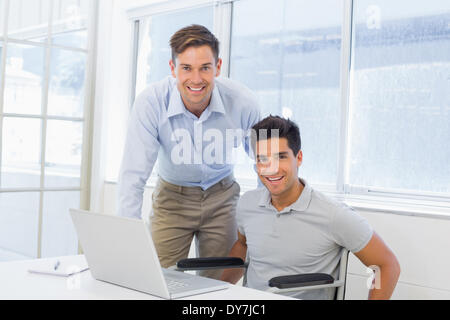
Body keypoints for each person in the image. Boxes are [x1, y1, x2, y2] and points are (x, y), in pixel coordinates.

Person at [117, 25, 260, 279]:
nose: (196, 79)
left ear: (218, 67)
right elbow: (133, 175)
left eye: (205, 67)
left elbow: (265, 162)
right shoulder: (151, 103)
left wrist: (262, 219)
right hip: (172, 199)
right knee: (158, 280)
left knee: (218, 283)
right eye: (186, 68)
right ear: (173, 69)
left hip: (222, 197)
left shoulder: (242, 102)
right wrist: (127, 239)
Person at [220, 115, 400, 299]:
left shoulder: (333, 214)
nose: (271, 168)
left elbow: (386, 265)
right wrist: (219, 292)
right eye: (262, 159)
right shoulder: (247, 203)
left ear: (298, 158)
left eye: (281, 157)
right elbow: (242, 245)